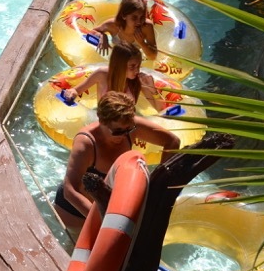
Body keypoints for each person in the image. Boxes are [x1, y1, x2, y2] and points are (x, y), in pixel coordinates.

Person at [53, 92, 179, 232]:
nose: (125, 135)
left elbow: (172, 141)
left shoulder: (130, 126)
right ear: (101, 121)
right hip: (75, 211)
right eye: (118, 131)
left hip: (106, 207)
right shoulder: (87, 143)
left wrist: (158, 181)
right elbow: (70, 191)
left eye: (128, 129)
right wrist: (107, 223)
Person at [63, 43, 166, 111]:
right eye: (132, 66)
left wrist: (153, 90)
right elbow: (76, 90)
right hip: (104, 122)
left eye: (138, 66)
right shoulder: (102, 74)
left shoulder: (138, 80)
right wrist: (71, 93)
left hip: (126, 124)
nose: (137, 70)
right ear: (119, 65)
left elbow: (160, 109)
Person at [90, 0, 159, 60]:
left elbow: (153, 57)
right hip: (116, 55)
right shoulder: (113, 25)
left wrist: (142, 43)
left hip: (135, 59)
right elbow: (91, 32)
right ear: (124, 15)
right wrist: (102, 36)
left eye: (142, 17)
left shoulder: (146, 27)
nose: (139, 22)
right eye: (134, 18)